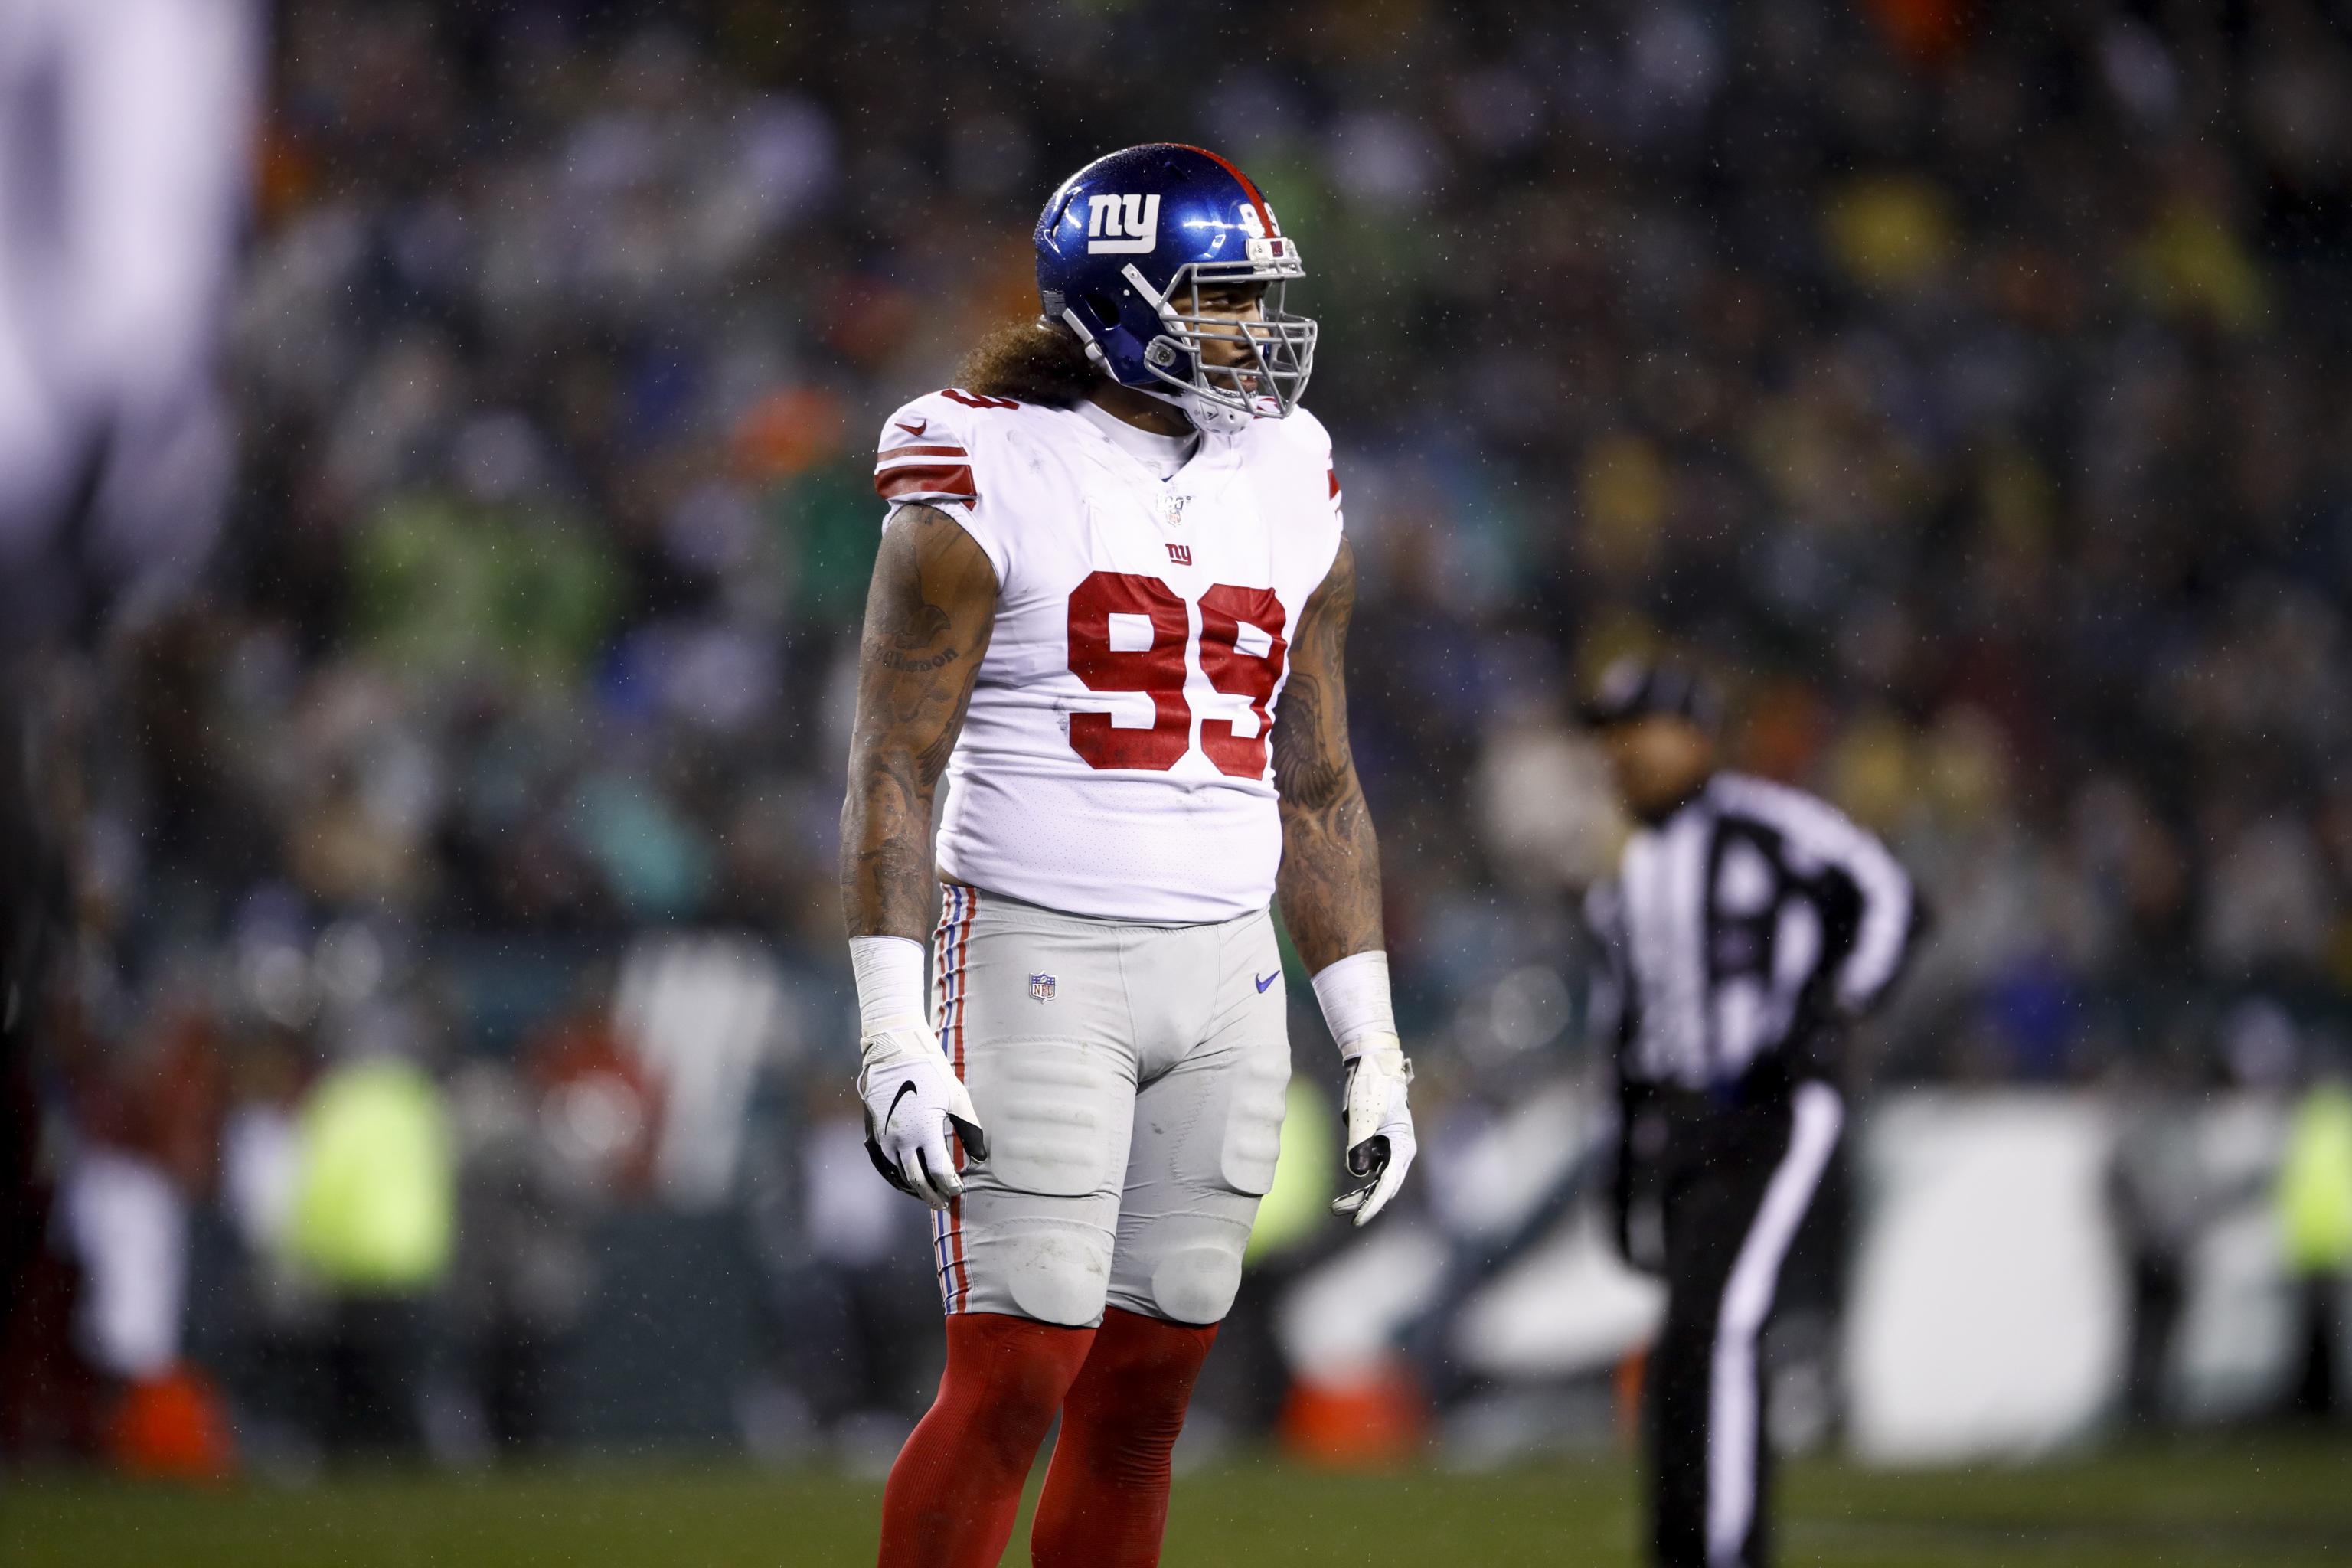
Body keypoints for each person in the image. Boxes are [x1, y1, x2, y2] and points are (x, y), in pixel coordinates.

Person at [838, 143, 1416, 1568]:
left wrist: (1375, 1043)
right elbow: (893, 764)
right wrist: (891, 1032)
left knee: (1148, 1396)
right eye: (1221, 298)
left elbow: (1322, 781)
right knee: (1015, 1377)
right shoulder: (982, 463)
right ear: (1118, 297)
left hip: (1228, 971)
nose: (1253, 332)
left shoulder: (1292, 468)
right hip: (1036, 947)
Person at [1581, 657, 1920, 1568]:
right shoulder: (1628, 873)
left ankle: (1714, 1546)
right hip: (1684, 1122)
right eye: (1611, 735)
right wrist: (1619, 1161)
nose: (1622, 753)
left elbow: (1889, 894)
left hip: (1773, 1107)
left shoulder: (1766, 823)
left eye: (1639, 728)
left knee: (1715, 1327)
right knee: (1692, 1340)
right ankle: (1697, 1537)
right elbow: (1625, 1026)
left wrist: (1833, 1011)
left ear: (1696, 732)